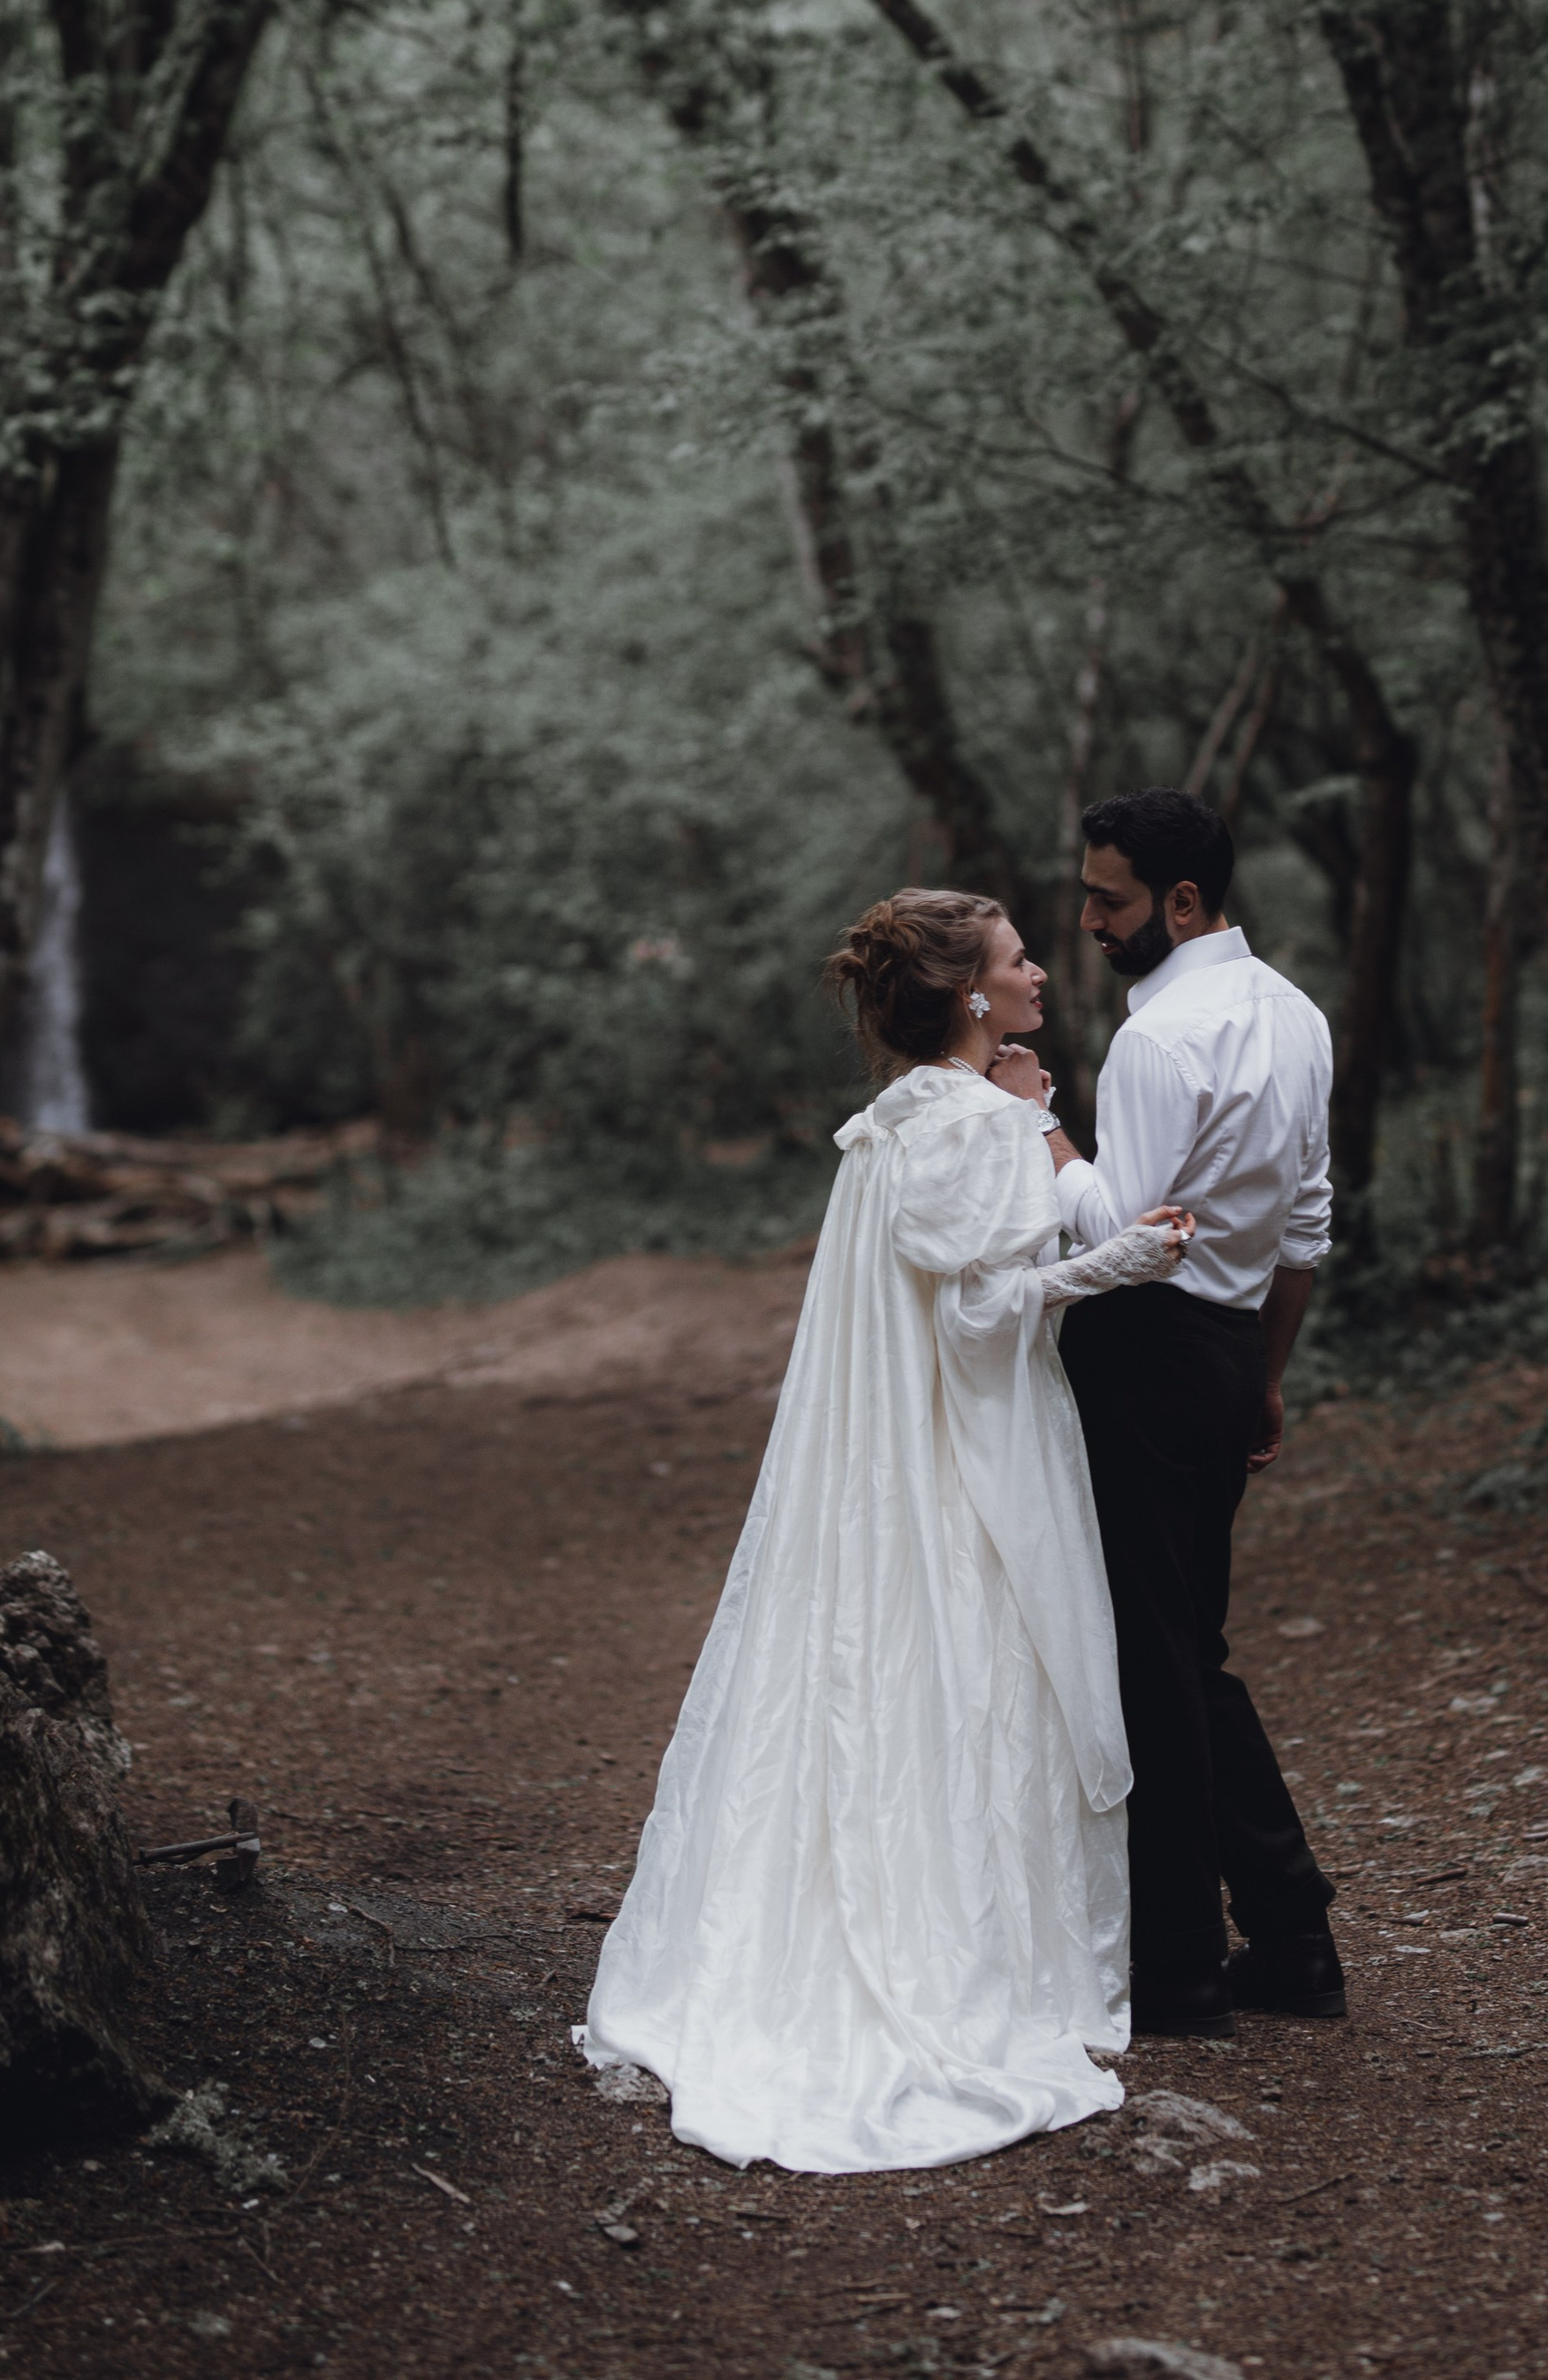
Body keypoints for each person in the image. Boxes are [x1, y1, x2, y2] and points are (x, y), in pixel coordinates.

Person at [575, 888, 1193, 2172]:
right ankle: (975, 1961)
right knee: (986, 1667)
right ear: (970, 994)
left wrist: (1027, 1120)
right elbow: (976, 1320)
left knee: (903, 1667)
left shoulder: (906, 1116)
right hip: (971, 1448)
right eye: (1017, 960)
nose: (1037, 974)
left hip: (894, 1451)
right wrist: (1118, 1261)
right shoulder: (976, 1125)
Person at [993, 787, 1342, 2040]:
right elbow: (1304, 1227)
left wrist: (1041, 1125)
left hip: (1144, 1353)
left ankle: (1185, 1968)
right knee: (1189, 1648)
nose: (1090, 922)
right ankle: (1291, 1937)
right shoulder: (1295, 1013)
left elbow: (1122, 1235)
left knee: (1151, 1658)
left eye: (1111, 900)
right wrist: (1265, 1373)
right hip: (1229, 1348)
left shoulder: (1158, 1041)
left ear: (1182, 902)